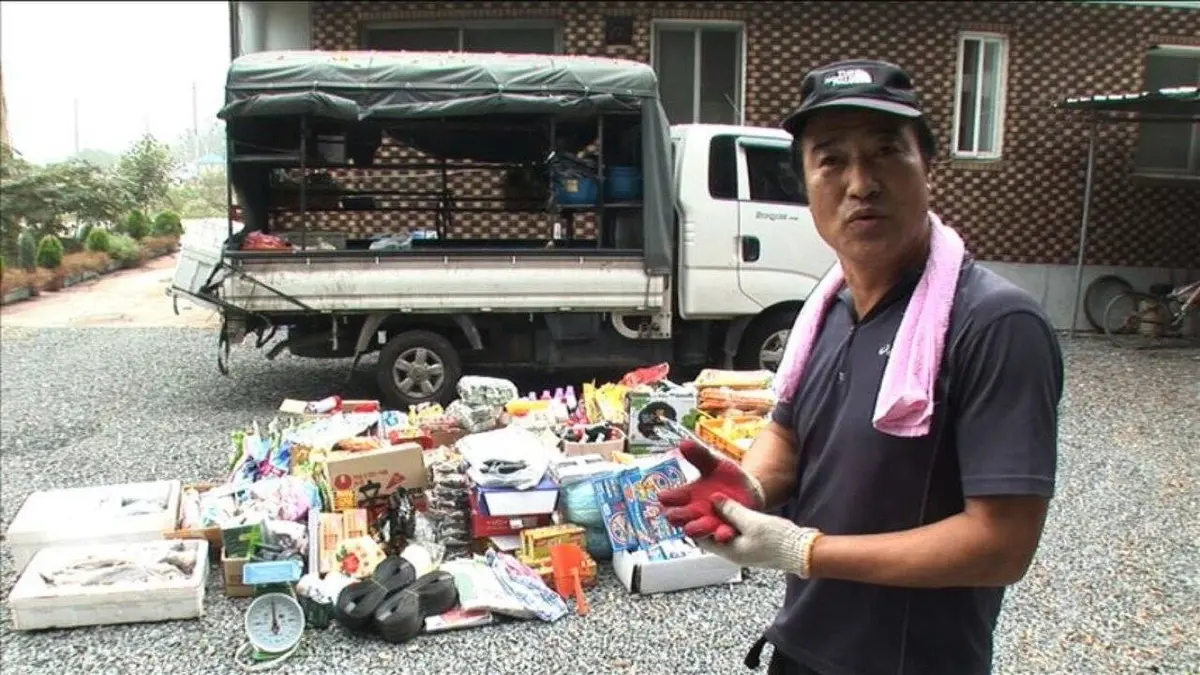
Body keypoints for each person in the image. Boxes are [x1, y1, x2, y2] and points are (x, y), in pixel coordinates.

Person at [660, 59, 1064, 675]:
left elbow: (1001, 545)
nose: (860, 183)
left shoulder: (994, 325)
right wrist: (752, 488)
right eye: (831, 160)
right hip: (801, 646)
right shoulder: (831, 308)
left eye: (885, 153)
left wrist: (805, 550)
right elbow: (790, 431)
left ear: (927, 167)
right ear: (805, 182)